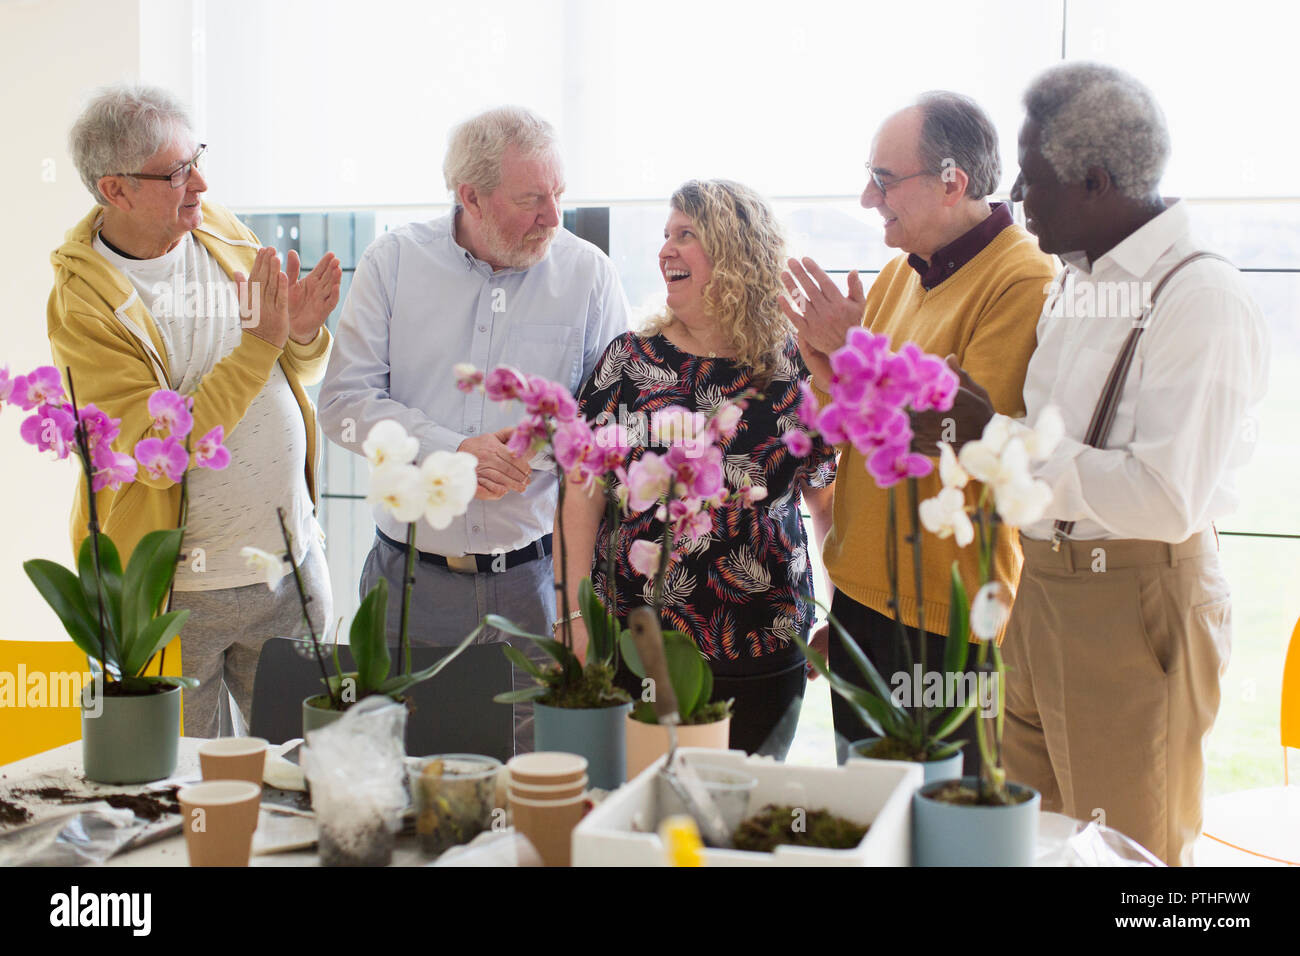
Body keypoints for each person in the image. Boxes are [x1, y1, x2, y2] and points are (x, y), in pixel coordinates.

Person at [925, 63, 1268, 866]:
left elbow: (1166, 497)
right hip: (1042, 590)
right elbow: (1052, 443)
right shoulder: (1075, 283)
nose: (1016, 195)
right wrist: (969, 429)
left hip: (1135, 599)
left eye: (1031, 177)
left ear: (1096, 181)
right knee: (1033, 844)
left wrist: (995, 435)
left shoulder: (1200, 297)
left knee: (1127, 855)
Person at [318, 106, 629, 754]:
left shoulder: (588, 274)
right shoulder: (393, 262)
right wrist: (452, 452)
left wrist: (531, 451)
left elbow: (610, 428)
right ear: (471, 196)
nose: (553, 217)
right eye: (532, 199)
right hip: (408, 583)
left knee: (537, 771)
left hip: (536, 585)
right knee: (407, 767)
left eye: (559, 194)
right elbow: (344, 402)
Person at [50, 83, 341, 737]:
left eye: (197, 159)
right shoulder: (82, 303)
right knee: (184, 783)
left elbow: (290, 371)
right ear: (116, 189)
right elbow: (157, 452)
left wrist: (299, 336)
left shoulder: (215, 228)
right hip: (175, 597)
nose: (201, 183)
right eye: (178, 171)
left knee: (303, 769)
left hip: (288, 568)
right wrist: (262, 344)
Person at [783, 92, 1056, 766]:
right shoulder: (898, 275)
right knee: (867, 808)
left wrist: (857, 351)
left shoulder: (1022, 277)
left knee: (940, 813)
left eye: (883, 179)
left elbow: (964, 443)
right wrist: (830, 368)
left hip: (947, 617)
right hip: (862, 601)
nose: (868, 198)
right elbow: (856, 431)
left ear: (952, 182)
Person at [561, 179, 837, 758]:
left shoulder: (795, 363)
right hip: (638, 640)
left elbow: (827, 497)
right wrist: (573, 614)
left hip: (766, 641)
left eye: (685, 234)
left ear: (736, 251)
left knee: (747, 803)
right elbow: (582, 492)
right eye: (665, 234)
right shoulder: (627, 360)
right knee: (647, 803)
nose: (666, 249)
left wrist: (839, 615)